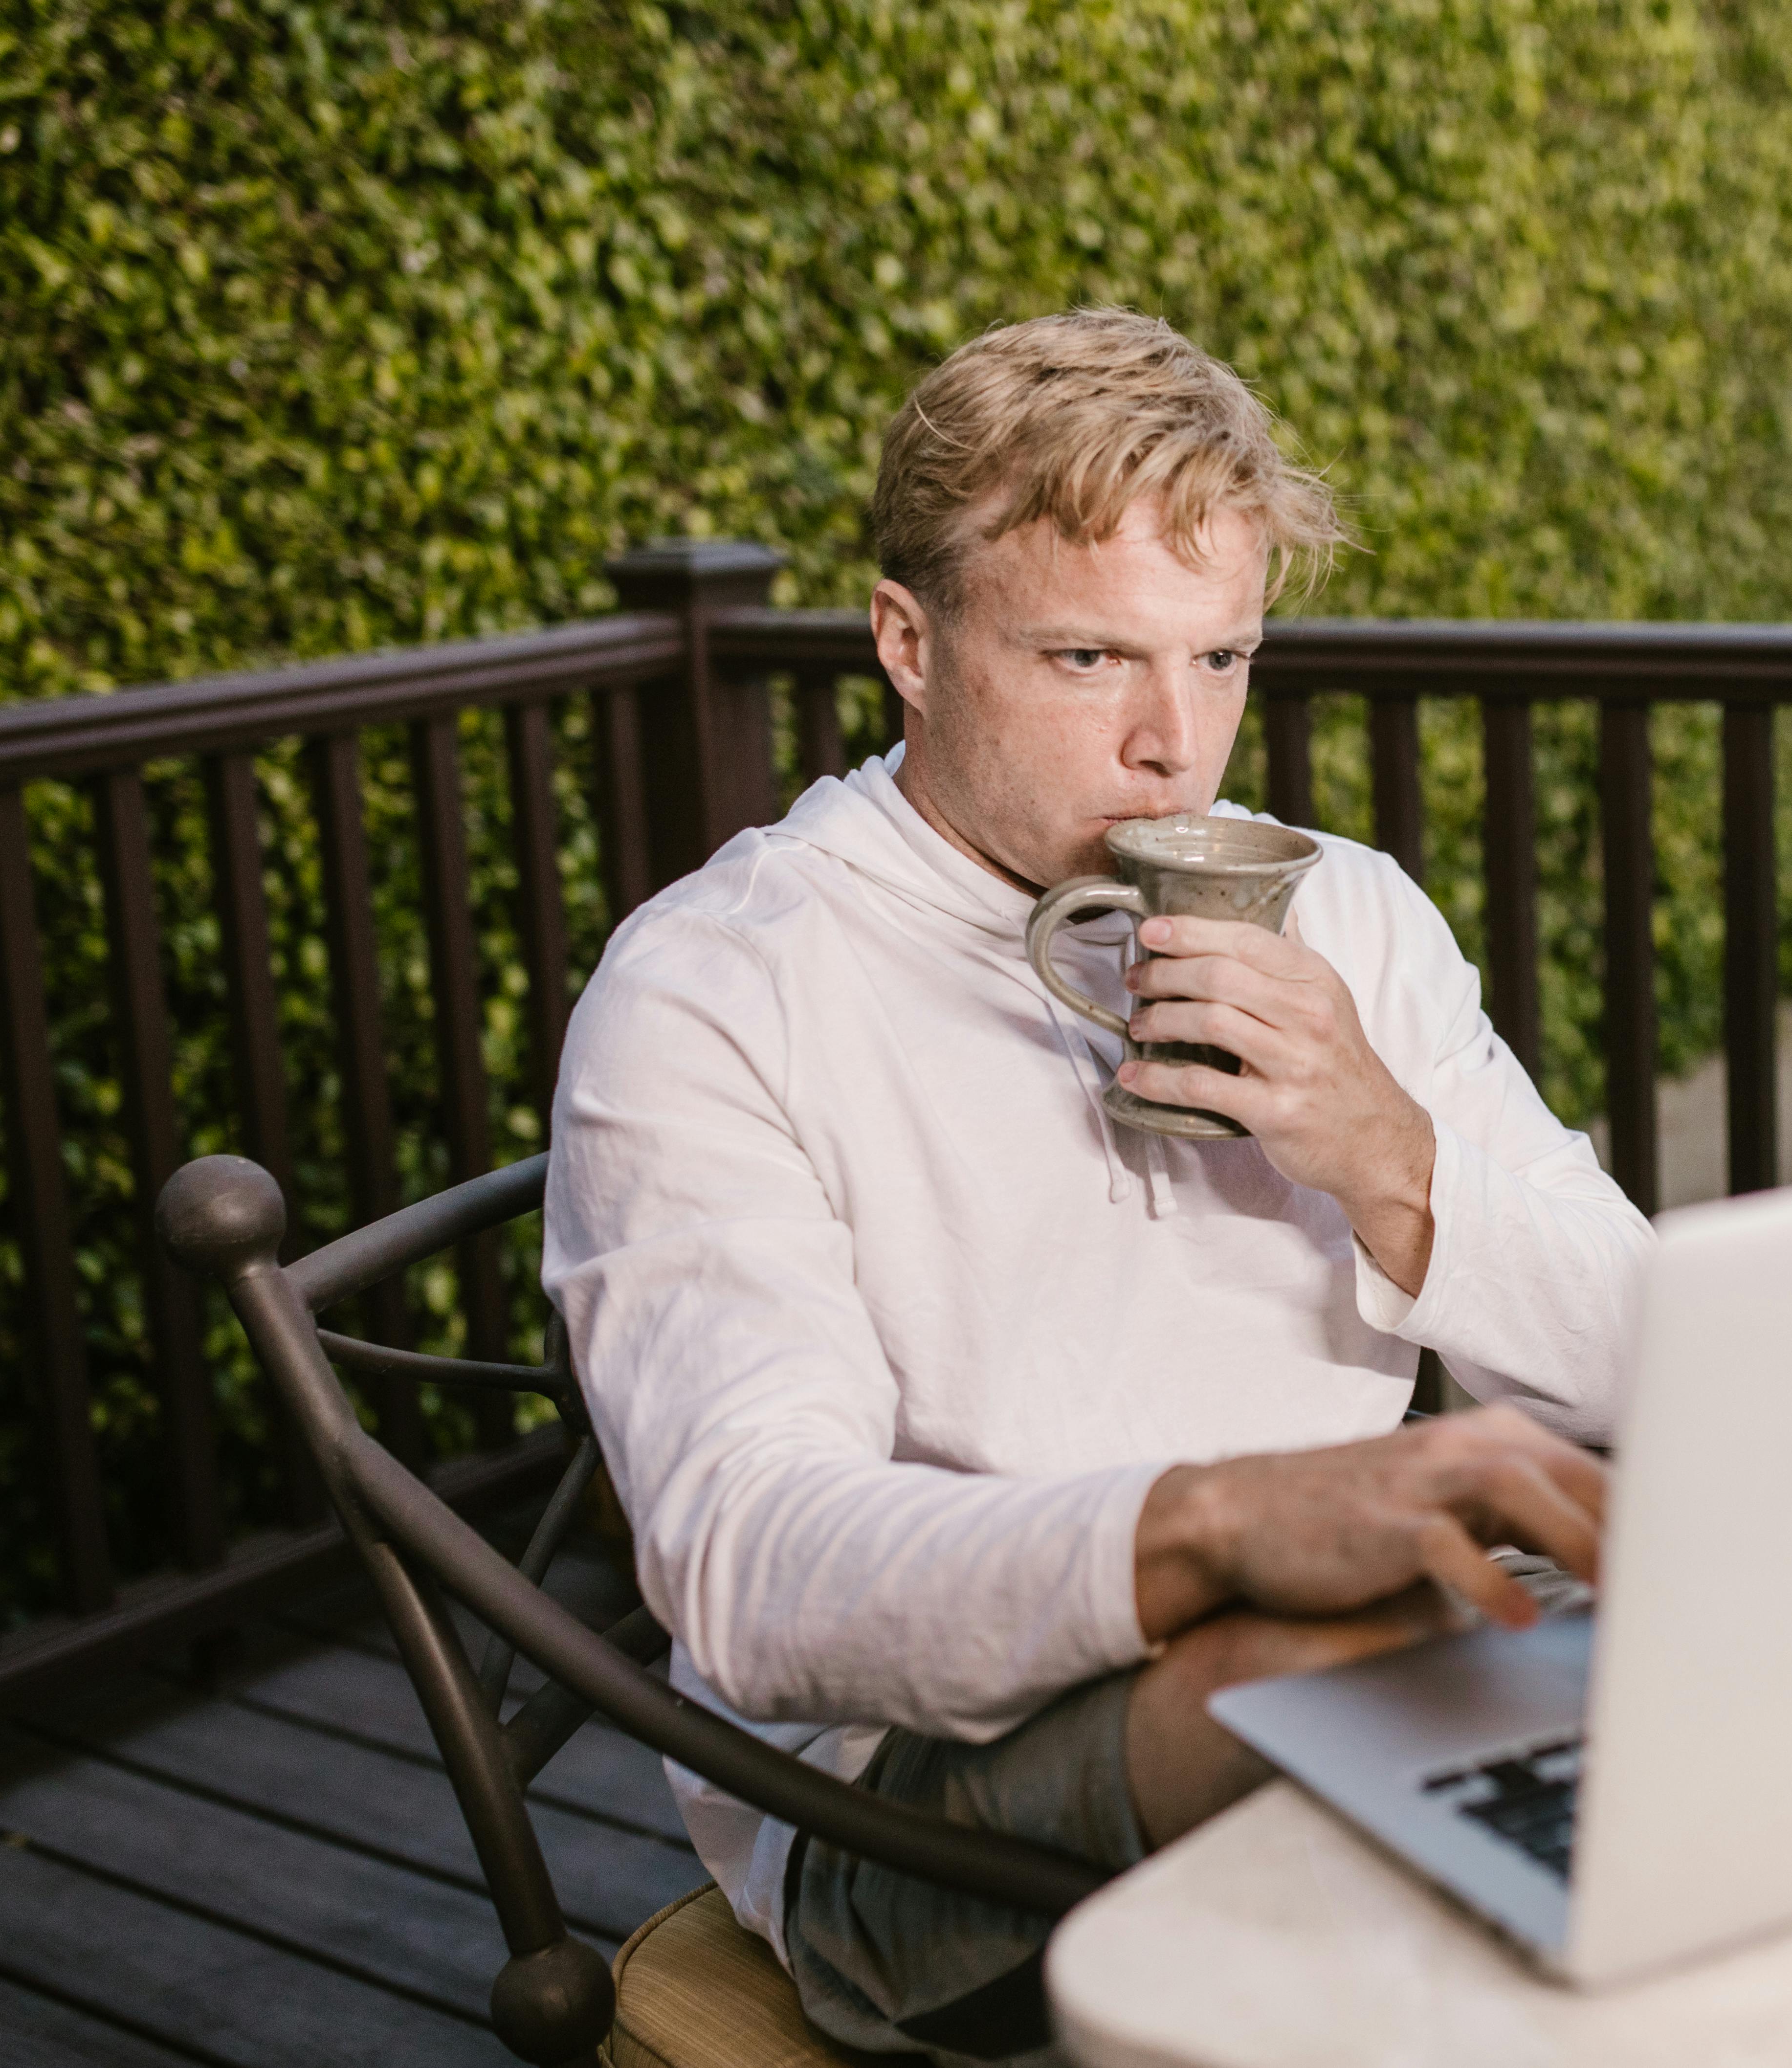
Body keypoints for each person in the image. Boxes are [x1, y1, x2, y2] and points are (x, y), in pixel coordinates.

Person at [544, 309, 1650, 2062]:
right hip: (904, 1808)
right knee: (1353, 1681)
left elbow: (1649, 1366)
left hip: (1367, 1647)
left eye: (1223, 658)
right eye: (1088, 658)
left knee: (1748, 1614)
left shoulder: (1349, 913)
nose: (1175, 745)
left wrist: (1391, 1155)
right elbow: (750, 1570)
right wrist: (1214, 1524)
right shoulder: (719, 986)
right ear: (909, 642)